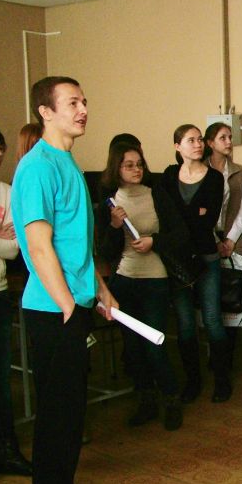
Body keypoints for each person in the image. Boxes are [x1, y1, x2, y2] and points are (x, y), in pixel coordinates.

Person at [11, 76, 117, 484]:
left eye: (84, 101)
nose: (83, 109)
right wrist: (70, 307)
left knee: (71, 417)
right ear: (46, 111)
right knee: (57, 421)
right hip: (53, 311)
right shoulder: (36, 167)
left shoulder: (67, 162)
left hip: (72, 305)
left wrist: (101, 289)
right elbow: (38, 246)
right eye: (72, 102)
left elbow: (77, 246)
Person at [97, 141, 189, 430]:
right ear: (117, 168)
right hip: (125, 280)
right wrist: (114, 226)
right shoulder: (111, 201)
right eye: (129, 165)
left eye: (139, 164)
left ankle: (171, 399)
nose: (136, 169)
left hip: (154, 279)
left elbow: (181, 235)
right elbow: (106, 250)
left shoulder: (156, 194)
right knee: (133, 348)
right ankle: (146, 400)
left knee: (154, 344)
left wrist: (154, 241)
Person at [161, 124, 230, 403]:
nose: (198, 144)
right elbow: (166, 216)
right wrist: (192, 216)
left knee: (212, 319)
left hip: (206, 256)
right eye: (191, 140)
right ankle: (193, 381)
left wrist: (182, 219)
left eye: (200, 139)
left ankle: (222, 381)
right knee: (185, 322)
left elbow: (208, 220)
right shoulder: (168, 176)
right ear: (177, 146)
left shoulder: (214, 178)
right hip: (178, 260)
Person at [0, 124, 32, 479]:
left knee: (0, 378)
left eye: (0, 146)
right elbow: (3, 243)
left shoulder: (7, 191)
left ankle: (6, 448)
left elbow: (15, 247)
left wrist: (2, 242)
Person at [204, 121, 242, 350]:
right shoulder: (201, 171)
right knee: (210, 298)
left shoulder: (239, 171)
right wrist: (215, 241)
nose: (229, 142)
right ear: (210, 143)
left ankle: (228, 351)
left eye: (230, 137)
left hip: (234, 239)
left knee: (233, 294)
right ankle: (213, 349)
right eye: (223, 137)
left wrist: (230, 240)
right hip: (208, 239)